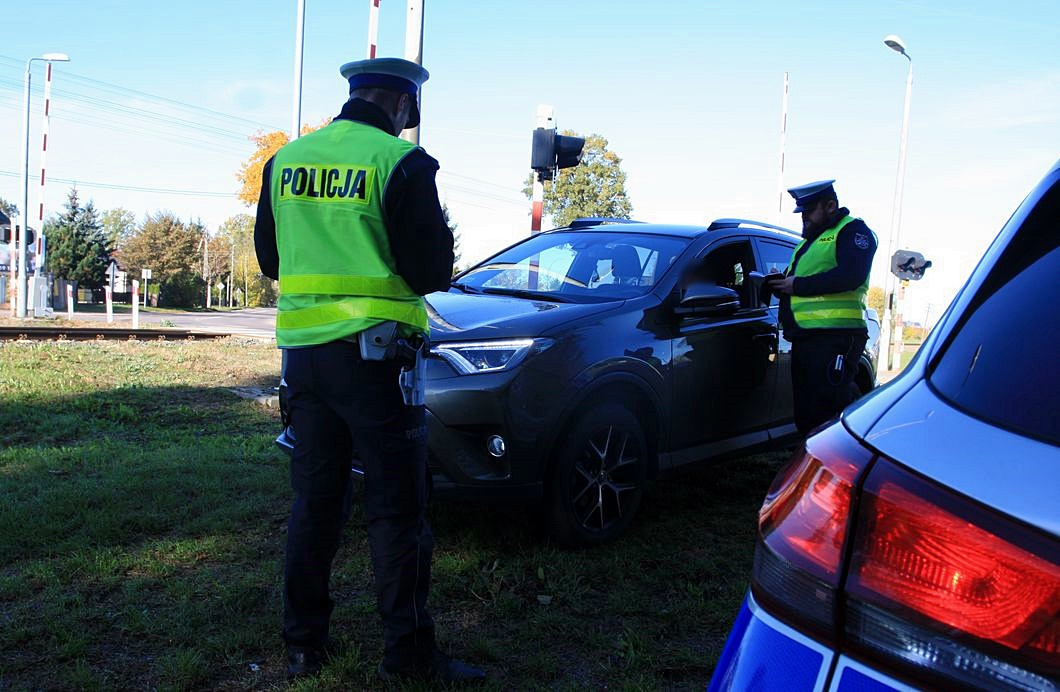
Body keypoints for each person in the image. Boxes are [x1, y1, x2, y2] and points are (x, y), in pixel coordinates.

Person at [253, 56, 485, 684]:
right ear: (405, 106)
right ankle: (407, 657)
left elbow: (271, 260)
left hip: (302, 361)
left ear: (355, 95)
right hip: (379, 366)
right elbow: (431, 273)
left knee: (315, 503)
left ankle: (303, 645)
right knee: (397, 510)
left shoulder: (285, 162)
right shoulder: (402, 163)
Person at [765, 179, 878, 436]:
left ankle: (839, 471)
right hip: (806, 337)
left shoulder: (854, 232)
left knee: (826, 414)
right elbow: (799, 281)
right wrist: (778, 283)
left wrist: (798, 286)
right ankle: (811, 468)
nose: (804, 218)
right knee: (807, 415)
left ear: (830, 206)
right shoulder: (808, 242)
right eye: (802, 213)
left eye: (808, 211)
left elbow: (852, 275)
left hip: (836, 338)